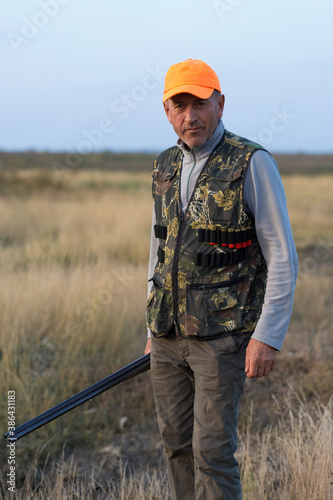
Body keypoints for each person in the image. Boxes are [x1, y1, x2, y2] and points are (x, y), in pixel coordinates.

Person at [144, 58, 298, 500]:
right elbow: (159, 250)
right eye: (179, 105)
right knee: (176, 447)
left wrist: (266, 337)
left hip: (223, 338)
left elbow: (283, 258)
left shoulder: (252, 162)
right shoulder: (163, 165)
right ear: (167, 111)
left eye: (200, 103)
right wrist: (151, 327)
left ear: (220, 103)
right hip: (168, 335)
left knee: (212, 453)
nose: (190, 115)